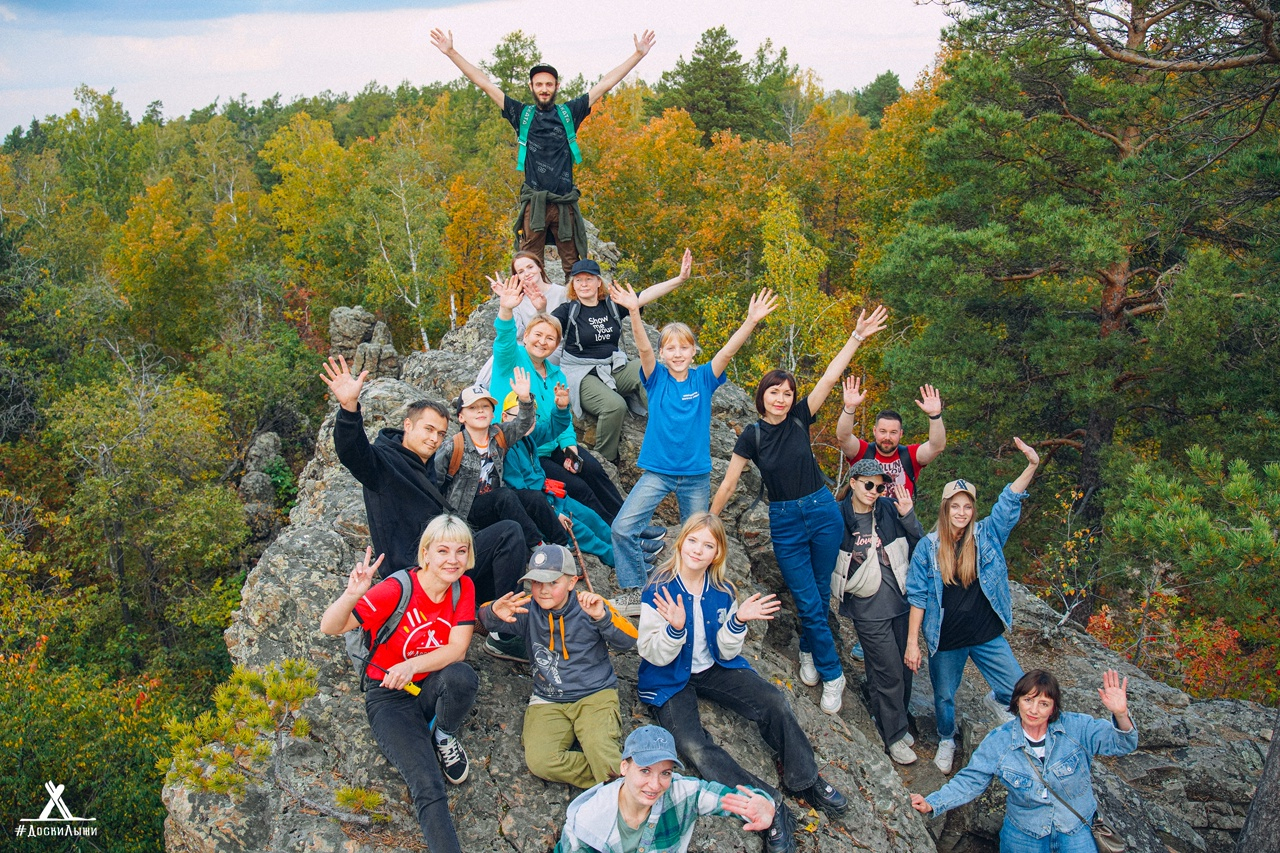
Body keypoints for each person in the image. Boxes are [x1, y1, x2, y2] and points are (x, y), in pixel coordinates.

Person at [710, 305, 889, 716]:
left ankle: (810, 650)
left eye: (787, 393)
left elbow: (828, 377)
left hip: (823, 512)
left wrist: (856, 337)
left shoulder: (799, 419)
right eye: (774, 392)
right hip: (786, 521)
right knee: (808, 600)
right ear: (762, 396)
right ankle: (834, 673)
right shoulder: (752, 435)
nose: (781, 398)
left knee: (819, 595)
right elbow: (730, 482)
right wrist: (710, 519)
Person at [637, 513, 848, 853]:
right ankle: (768, 804)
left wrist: (736, 620)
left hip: (713, 667)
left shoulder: (722, 591)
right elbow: (651, 653)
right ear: (681, 542)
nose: (698, 550)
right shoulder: (658, 589)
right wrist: (675, 630)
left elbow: (725, 650)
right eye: (693, 540)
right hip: (668, 677)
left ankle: (805, 779)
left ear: (717, 553)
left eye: (708, 545)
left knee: (773, 700)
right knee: (692, 746)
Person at [608, 285, 779, 617]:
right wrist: (634, 311)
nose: (677, 354)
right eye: (670, 348)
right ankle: (636, 592)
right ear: (662, 353)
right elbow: (642, 347)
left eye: (683, 348)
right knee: (622, 528)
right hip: (658, 473)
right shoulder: (656, 378)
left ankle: (697, 595)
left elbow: (726, 353)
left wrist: (751, 321)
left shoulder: (703, 379)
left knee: (701, 541)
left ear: (693, 351)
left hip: (695, 477)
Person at [429, 28, 656, 276]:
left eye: (549, 84)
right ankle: (530, 301)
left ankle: (574, 300)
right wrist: (451, 52)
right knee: (528, 265)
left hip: (564, 204)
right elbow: (484, 83)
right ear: (531, 86)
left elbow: (605, 84)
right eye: (539, 84)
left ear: (557, 86)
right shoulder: (521, 114)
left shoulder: (569, 113)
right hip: (535, 204)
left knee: (573, 265)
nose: (544, 89)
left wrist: (638, 55)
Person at [319, 516, 481, 853]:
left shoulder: (462, 587)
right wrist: (352, 595)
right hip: (389, 697)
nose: (452, 560)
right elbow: (330, 627)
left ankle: (442, 733)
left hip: (427, 683)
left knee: (462, 676)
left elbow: (457, 649)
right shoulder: (397, 589)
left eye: (461, 551)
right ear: (426, 553)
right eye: (443, 551)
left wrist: (411, 666)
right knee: (428, 784)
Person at [321, 356, 526, 605]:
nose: (434, 439)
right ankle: (505, 622)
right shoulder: (384, 463)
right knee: (508, 533)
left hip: (440, 556)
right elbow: (352, 453)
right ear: (408, 425)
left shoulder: (426, 464)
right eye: (428, 429)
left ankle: (483, 612)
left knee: (498, 536)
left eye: (440, 434)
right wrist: (349, 408)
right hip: (415, 570)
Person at [904, 438, 1041, 775]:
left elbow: (1009, 502)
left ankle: (996, 699)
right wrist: (912, 643)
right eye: (955, 506)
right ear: (945, 508)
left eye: (967, 507)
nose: (961, 513)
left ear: (973, 510)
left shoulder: (987, 536)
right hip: (946, 639)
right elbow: (918, 596)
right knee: (944, 697)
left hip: (985, 634)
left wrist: (1032, 465)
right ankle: (946, 739)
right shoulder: (928, 547)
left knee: (1018, 690)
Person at [910, 669, 1138, 853]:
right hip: (1025, 834)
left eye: (1044, 704)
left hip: (1076, 830)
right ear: (1017, 700)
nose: (1034, 710)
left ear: (1053, 708)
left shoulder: (1078, 727)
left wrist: (1120, 714)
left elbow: (1123, 744)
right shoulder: (999, 741)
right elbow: (970, 781)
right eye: (1028, 700)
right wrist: (932, 803)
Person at [480, 543, 637, 789]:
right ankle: (619, 777)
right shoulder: (528, 608)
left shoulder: (590, 606)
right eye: (536, 582)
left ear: (572, 582)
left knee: (600, 748)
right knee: (540, 761)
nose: (543, 590)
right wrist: (492, 612)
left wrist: (602, 617)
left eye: (553, 582)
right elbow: (486, 619)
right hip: (548, 697)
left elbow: (628, 640)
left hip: (594, 694)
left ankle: (621, 785)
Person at [490, 274, 626, 525]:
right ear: (526, 335)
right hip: (524, 451)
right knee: (579, 488)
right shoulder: (511, 360)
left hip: (553, 445)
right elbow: (504, 339)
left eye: (550, 338)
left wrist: (569, 446)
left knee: (593, 469)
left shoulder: (556, 374)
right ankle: (616, 531)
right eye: (537, 335)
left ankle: (629, 520)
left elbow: (563, 417)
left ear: (556, 345)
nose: (542, 342)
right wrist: (506, 308)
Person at [552, 251, 692, 464]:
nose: (583, 284)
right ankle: (605, 461)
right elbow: (546, 327)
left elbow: (646, 294)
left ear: (598, 282)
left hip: (612, 366)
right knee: (615, 406)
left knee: (649, 370)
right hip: (581, 372)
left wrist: (680, 278)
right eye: (578, 280)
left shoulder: (612, 305)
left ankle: (668, 429)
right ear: (573, 285)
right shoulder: (567, 311)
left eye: (589, 279)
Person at [555, 725, 776, 853]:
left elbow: (726, 798)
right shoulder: (588, 821)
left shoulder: (682, 793)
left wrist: (760, 803)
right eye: (645, 771)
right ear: (624, 767)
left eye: (665, 773)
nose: (655, 785)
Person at [832, 459, 923, 764]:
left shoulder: (887, 509)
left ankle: (891, 722)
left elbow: (919, 543)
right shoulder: (838, 515)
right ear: (853, 482)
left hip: (900, 600)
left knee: (901, 670)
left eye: (879, 487)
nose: (874, 491)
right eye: (868, 484)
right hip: (866, 608)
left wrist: (908, 515)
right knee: (889, 672)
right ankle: (894, 736)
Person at [432, 372, 567, 553]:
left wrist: (525, 399)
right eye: (472, 408)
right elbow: (434, 483)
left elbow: (523, 424)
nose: (480, 410)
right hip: (466, 511)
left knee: (534, 498)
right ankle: (538, 547)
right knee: (504, 496)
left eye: (485, 406)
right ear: (461, 417)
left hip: (496, 503)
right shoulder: (452, 447)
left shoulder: (499, 435)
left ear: (492, 413)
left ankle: (563, 545)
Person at [499, 390, 616, 567]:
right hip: (541, 509)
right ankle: (622, 561)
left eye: (532, 416)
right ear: (504, 417)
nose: (527, 421)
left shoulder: (528, 437)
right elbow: (524, 496)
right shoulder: (507, 450)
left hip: (553, 495)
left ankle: (626, 549)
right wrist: (553, 514)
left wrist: (561, 409)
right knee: (584, 534)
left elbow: (552, 428)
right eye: (521, 416)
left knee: (594, 519)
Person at [836, 380, 947, 498]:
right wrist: (849, 408)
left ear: (901, 434)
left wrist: (935, 415)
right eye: (883, 431)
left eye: (893, 432)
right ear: (874, 431)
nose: (887, 437)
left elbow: (937, 446)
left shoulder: (910, 456)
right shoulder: (862, 453)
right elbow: (843, 437)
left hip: (901, 510)